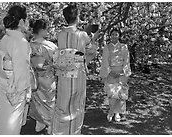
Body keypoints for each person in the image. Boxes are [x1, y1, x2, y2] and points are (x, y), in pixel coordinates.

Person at [52, 4, 99, 134]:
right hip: (78, 73)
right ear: (77, 17)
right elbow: (92, 50)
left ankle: (59, 131)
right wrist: (94, 39)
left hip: (64, 74)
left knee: (63, 104)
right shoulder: (82, 35)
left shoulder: (60, 34)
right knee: (76, 104)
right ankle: (74, 132)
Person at [0, 5, 31, 134]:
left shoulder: (5, 38)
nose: (27, 23)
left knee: (3, 119)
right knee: (13, 124)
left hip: (5, 82)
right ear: (21, 22)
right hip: (15, 87)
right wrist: (26, 92)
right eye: (26, 20)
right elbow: (21, 70)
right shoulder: (20, 41)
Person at [28, 19, 57, 134]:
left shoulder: (29, 45)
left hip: (34, 77)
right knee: (49, 101)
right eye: (46, 29)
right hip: (48, 77)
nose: (48, 32)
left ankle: (40, 122)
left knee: (37, 100)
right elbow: (57, 62)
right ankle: (49, 124)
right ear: (42, 30)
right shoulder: (50, 46)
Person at [100, 28, 131, 122]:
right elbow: (105, 61)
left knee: (121, 94)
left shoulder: (124, 47)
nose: (114, 36)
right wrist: (110, 72)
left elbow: (126, 60)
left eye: (116, 34)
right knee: (112, 93)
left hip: (121, 72)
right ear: (110, 36)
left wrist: (123, 72)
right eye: (112, 34)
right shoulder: (107, 47)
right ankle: (111, 111)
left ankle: (118, 113)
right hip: (111, 73)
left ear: (119, 36)